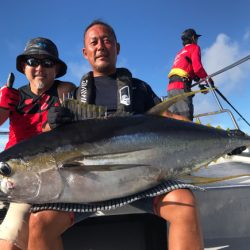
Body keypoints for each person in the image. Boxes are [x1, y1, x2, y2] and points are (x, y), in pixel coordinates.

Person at [27, 21, 203, 250]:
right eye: (94, 42)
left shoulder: (139, 88)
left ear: (117, 48)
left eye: (106, 40)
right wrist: (51, 124)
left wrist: (217, 136)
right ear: (85, 52)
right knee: (39, 223)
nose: (101, 46)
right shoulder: (70, 96)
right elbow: (50, 145)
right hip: (83, 187)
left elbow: (169, 117)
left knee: (185, 205)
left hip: (139, 180)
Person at [0, 37, 75, 250]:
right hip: (10, 173)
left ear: (56, 68)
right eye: (33, 61)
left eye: (47, 62)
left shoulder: (65, 92)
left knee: (10, 240)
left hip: (48, 176)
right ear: (24, 67)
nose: (40, 68)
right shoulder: (13, 95)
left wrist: (57, 123)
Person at [167, 28, 214, 121]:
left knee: (174, 122)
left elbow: (186, 69)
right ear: (193, 38)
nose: (197, 41)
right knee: (186, 120)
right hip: (181, 87)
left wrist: (200, 83)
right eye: (196, 38)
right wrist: (208, 79)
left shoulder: (180, 52)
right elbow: (198, 68)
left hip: (170, 88)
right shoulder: (194, 47)